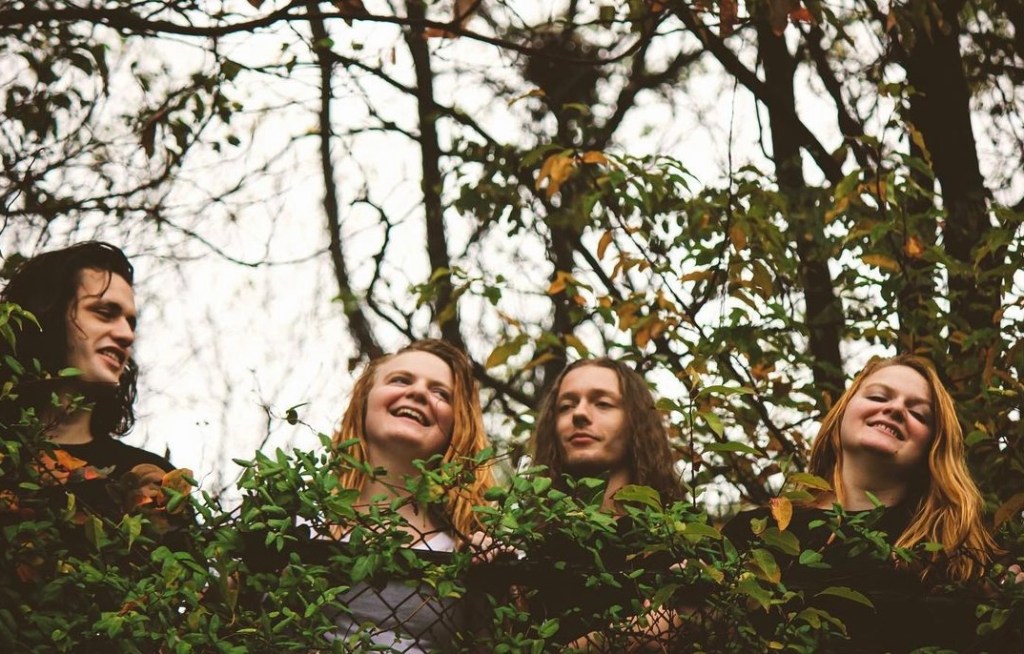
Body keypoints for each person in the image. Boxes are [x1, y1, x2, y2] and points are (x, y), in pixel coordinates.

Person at [723, 354, 1003, 652]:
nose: (896, 409)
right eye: (878, 396)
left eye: (918, 414)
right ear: (842, 413)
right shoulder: (754, 533)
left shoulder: (953, 554)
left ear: (932, 446)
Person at [474, 357, 685, 652]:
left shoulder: (681, 537)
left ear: (636, 421)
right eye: (566, 406)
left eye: (603, 403)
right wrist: (490, 577)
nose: (580, 414)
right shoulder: (527, 541)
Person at [325, 339, 494, 653]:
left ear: (457, 424)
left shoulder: (464, 545)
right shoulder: (298, 520)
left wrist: (495, 581)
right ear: (364, 401)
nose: (418, 393)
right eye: (401, 380)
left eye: (440, 393)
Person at [0, 241, 177, 522]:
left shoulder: (152, 480)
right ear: (49, 316)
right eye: (105, 313)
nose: (127, 335)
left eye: (131, 323)